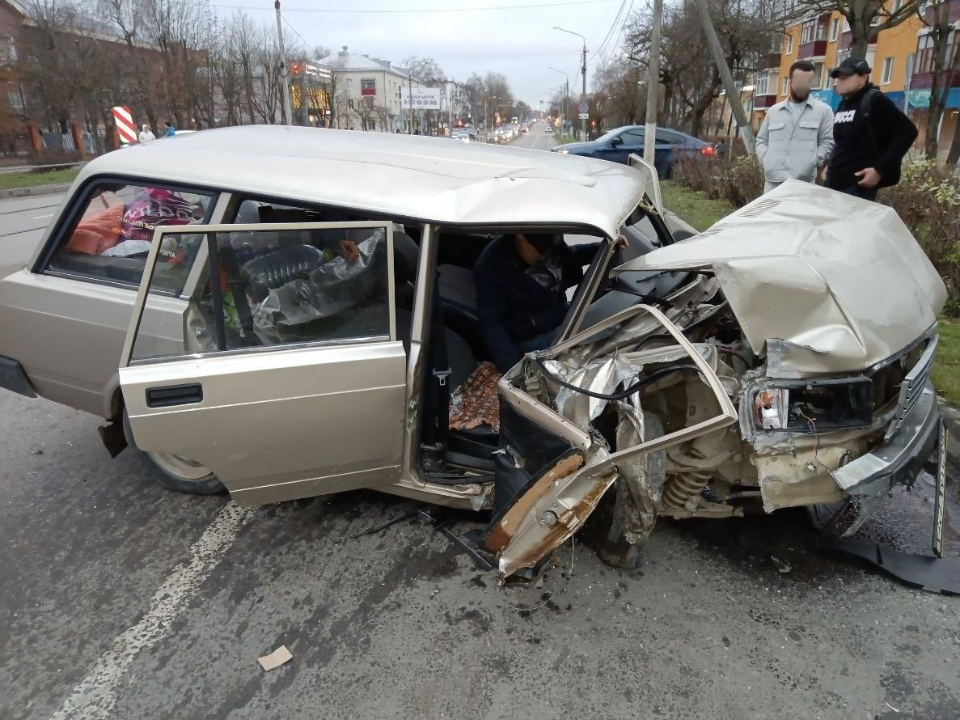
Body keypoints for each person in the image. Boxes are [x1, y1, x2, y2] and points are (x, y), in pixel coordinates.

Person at [474, 233, 602, 372]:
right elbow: (492, 323)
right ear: (521, 238)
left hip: (560, 313)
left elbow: (569, 256)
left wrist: (601, 248)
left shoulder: (548, 242)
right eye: (541, 252)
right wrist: (514, 371)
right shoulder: (492, 265)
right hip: (533, 336)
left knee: (603, 320)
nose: (546, 256)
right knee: (596, 342)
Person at [824, 56, 918, 201]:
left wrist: (879, 170)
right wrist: (830, 165)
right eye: (838, 77)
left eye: (846, 76)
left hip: (856, 190)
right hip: (833, 185)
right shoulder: (844, 104)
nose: (840, 81)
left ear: (863, 77)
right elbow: (842, 143)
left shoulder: (875, 101)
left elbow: (908, 132)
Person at [755, 60, 834, 193]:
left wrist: (812, 161)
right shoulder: (774, 111)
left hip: (803, 184)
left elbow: (828, 142)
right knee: (772, 215)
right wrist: (767, 160)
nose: (802, 88)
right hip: (773, 183)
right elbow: (761, 140)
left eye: (807, 82)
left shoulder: (823, 111)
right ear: (790, 81)